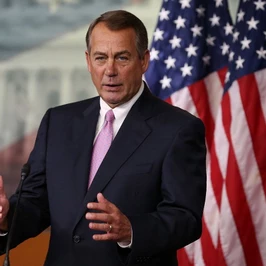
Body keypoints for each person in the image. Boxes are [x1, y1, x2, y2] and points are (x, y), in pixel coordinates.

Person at [0, 10, 206, 266]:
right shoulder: (58, 122)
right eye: (101, 58)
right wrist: (6, 218)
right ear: (88, 61)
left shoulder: (179, 129)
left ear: (144, 61)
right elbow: (35, 204)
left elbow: (186, 218)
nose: (110, 70)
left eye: (122, 58)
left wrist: (132, 231)